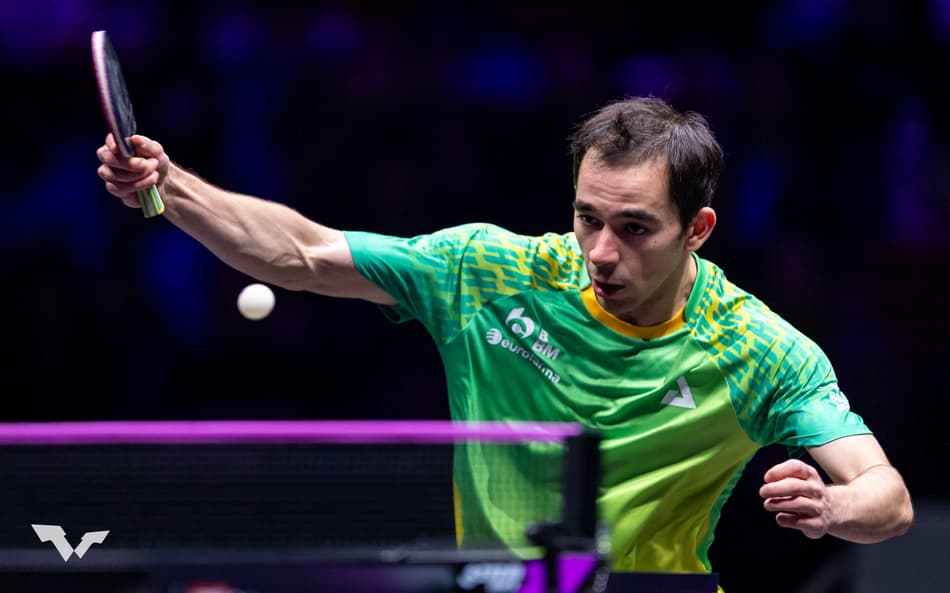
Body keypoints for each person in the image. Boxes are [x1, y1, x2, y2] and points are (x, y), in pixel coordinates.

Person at [95, 96, 913, 577]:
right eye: (588, 217)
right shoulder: (487, 271)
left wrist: (833, 503)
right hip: (494, 586)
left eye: (634, 228)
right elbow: (302, 252)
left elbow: (889, 497)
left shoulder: (759, 348)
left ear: (697, 228)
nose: (601, 251)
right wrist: (175, 186)